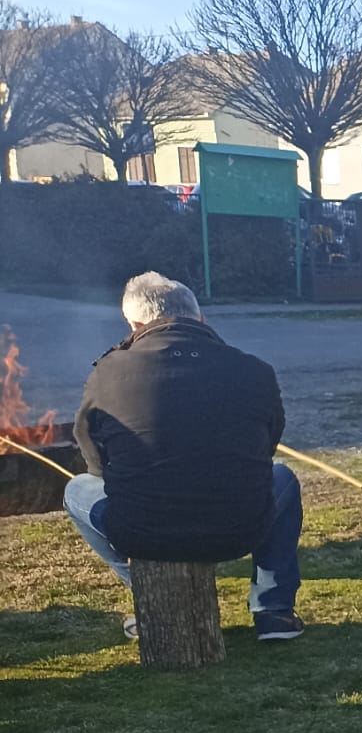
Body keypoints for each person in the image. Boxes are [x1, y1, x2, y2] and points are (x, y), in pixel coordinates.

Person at [65, 272, 304, 641]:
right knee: (282, 476)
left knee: (76, 489)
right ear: (200, 318)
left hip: (141, 533)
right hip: (239, 529)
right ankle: (274, 611)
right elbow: (266, 447)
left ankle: (152, 597)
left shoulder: (108, 372)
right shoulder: (255, 370)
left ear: (134, 325)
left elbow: (93, 458)